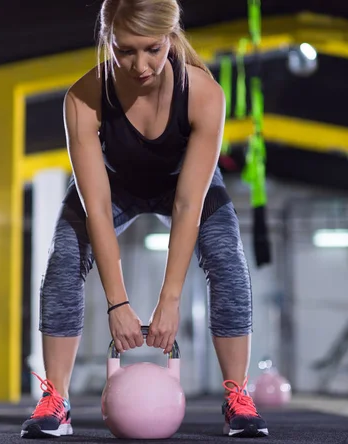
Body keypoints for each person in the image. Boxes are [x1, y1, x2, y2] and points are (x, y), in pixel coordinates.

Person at [20, 0, 269, 439]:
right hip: (115, 188)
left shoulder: (205, 94)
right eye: (126, 50)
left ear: (170, 38)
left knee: (227, 258)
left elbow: (188, 205)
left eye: (153, 49)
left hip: (184, 188)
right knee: (63, 256)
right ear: (108, 42)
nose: (140, 65)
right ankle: (55, 399)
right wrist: (118, 304)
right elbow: (96, 205)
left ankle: (237, 397)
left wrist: (169, 300)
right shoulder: (83, 98)